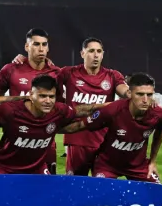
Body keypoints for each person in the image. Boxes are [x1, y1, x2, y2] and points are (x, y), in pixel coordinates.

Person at [0, 74, 109, 174]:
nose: (48, 101)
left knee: (49, 201)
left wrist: (110, 106)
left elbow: (83, 110)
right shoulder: (9, 111)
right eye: (42, 96)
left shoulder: (58, 110)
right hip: (5, 169)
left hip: (37, 170)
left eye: (51, 97)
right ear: (31, 95)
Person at [0, 28, 60, 172]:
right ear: (27, 46)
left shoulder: (57, 73)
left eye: (44, 45)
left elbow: (60, 106)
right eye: (36, 44)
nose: (41, 49)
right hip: (14, 141)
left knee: (46, 190)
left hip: (45, 144)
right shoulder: (11, 69)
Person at [55, 37, 128, 176]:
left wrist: (132, 93)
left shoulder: (112, 75)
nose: (95, 55)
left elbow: (124, 90)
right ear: (82, 53)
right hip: (77, 139)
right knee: (75, 184)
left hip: (104, 140)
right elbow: (46, 74)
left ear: (103, 54)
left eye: (99, 51)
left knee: (102, 185)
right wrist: (24, 59)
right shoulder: (69, 73)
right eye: (91, 51)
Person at [80, 72, 162, 183]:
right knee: (102, 194)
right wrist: (54, 127)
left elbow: (160, 132)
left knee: (157, 193)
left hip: (138, 166)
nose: (145, 100)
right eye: (140, 94)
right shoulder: (113, 110)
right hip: (107, 165)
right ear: (129, 93)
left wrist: (152, 161)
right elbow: (81, 125)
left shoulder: (158, 114)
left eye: (149, 95)